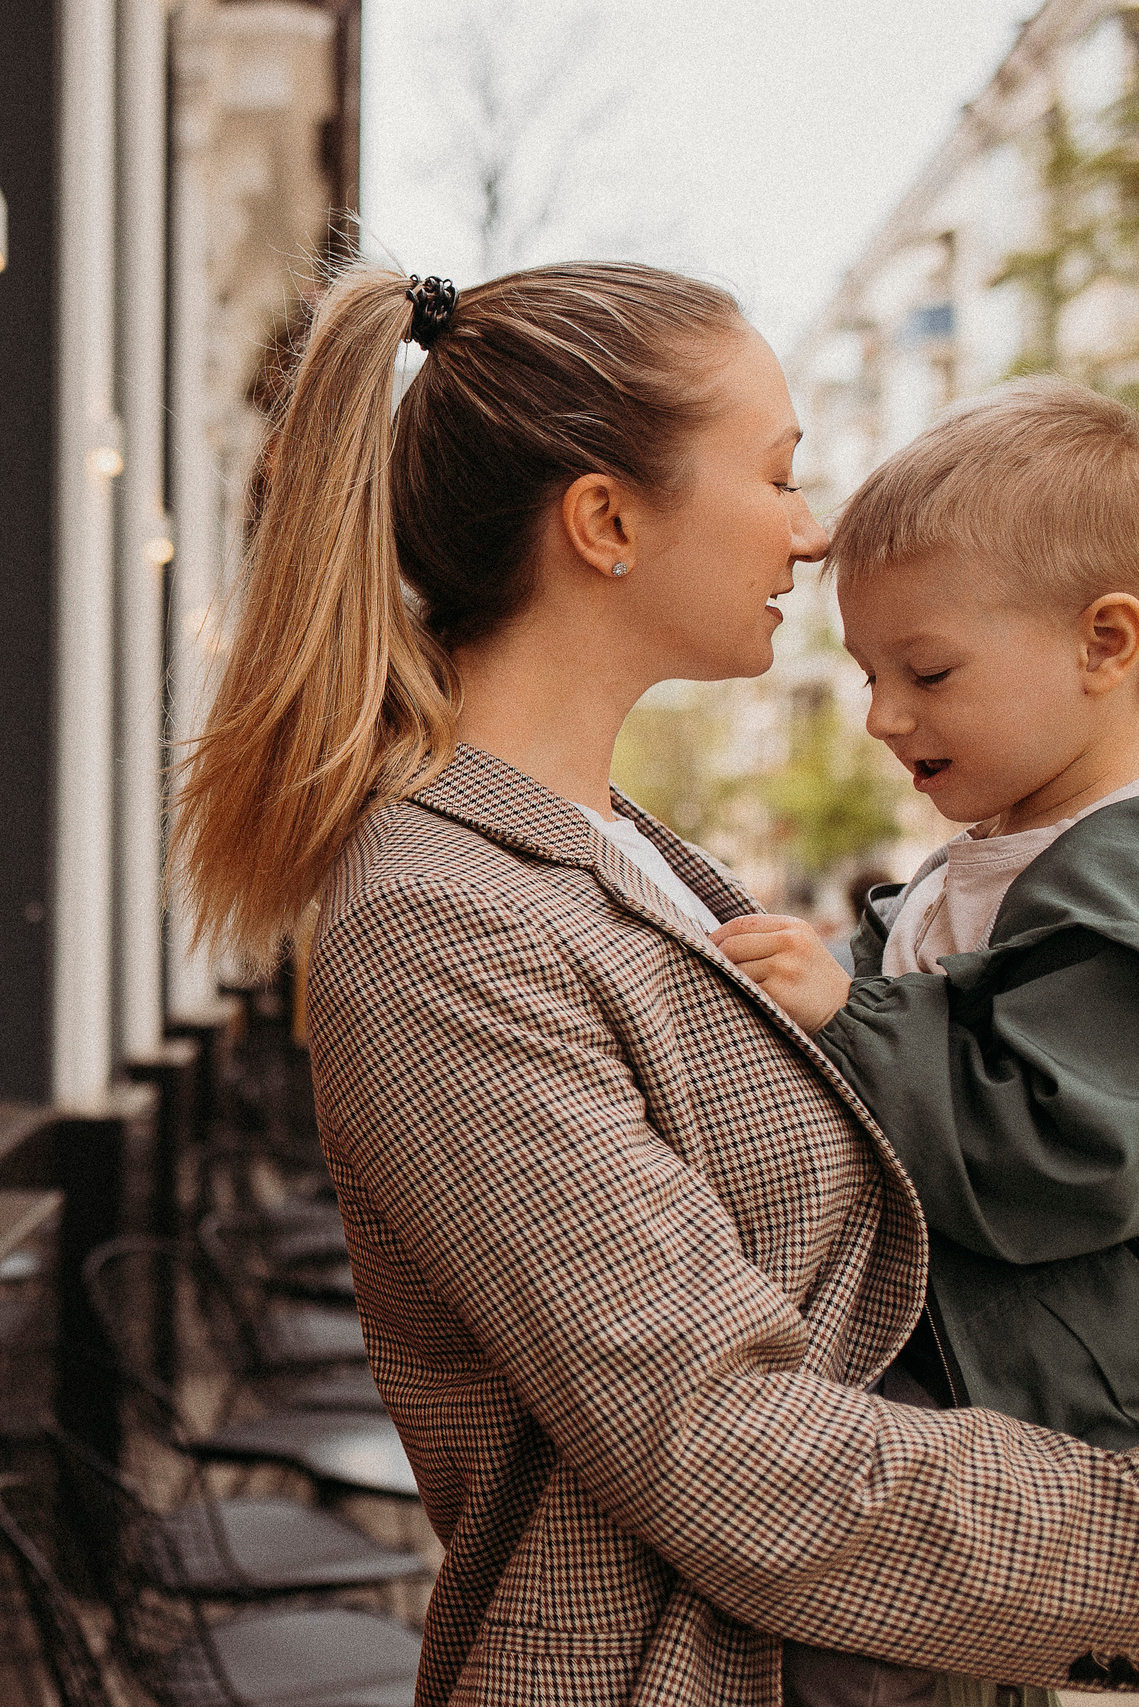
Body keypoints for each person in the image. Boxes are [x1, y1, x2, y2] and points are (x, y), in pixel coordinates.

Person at [170, 265, 1139, 1707]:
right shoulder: (441, 915)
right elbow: (722, 1445)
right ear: (607, 522)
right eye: (779, 472)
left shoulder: (620, 853)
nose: (812, 530)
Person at [712, 379, 1139, 1459]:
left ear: (1104, 643)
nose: (882, 717)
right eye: (868, 675)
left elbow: (1065, 1157)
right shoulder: (970, 870)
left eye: (929, 672)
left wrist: (849, 1017)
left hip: (1071, 1440)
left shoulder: (1119, 886)